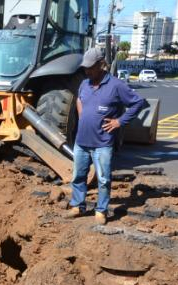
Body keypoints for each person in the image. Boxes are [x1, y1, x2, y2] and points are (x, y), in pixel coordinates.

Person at [66, 48, 146, 225]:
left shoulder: (116, 85)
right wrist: (83, 115)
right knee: (78, 176)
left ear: (101, 65)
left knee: (103, 179)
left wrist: (119, 121)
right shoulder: (84, 84)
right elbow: (79, 99)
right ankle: (77, 205)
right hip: (81, 141)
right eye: (85, 68)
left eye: (90, 68)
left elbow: (138, 102)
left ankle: (101, 210)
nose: (87, 71)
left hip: (102, 143)